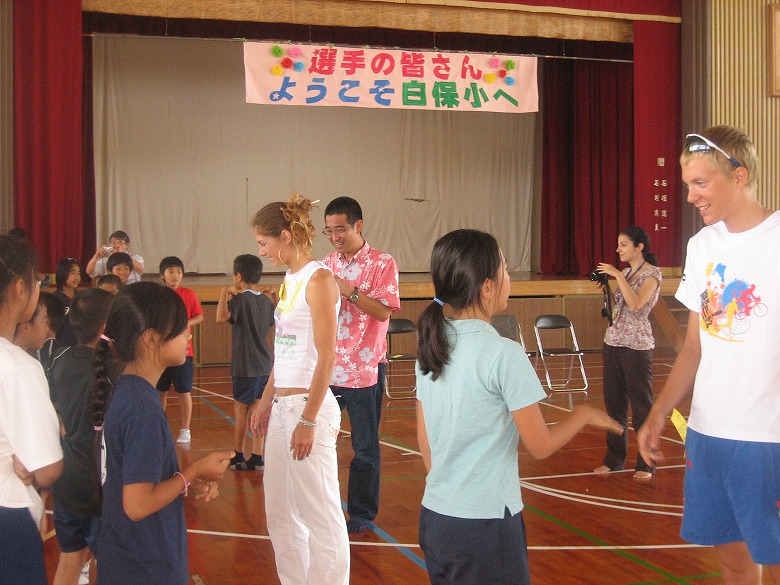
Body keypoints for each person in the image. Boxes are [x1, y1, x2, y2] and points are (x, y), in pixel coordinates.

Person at [416, 229, 622, 585]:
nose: (509, 278)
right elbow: (540, 445)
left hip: (436, 519)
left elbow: (427, 448)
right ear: (487, 287)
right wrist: (584, 414)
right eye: (506, 270)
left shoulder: (432, 346)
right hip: (486, 526)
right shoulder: (504, 354)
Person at [638, 126, 780, 584]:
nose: (691, 196)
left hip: (766, 437)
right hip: (708, 431)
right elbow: (695, 347)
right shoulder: (702, 248)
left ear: (739, 176)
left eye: (701, 183)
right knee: (732, 560)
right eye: (687, 186)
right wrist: (660, 412)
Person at [93, 282, 232, 585]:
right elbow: (138, 504)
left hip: (124, 556)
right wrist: (193, 472)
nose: (189, 335)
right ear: (151, 340)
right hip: (146, 566)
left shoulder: (128, 391)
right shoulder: (143, 408)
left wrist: (180, 481)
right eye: (181, 330)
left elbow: (134, 478)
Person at [249, 194, 350, 585]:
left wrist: (307, 418)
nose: (262, 252)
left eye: (264, 243)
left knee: (320, 515)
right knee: (281, 514)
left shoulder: (320, 279)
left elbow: (328, 357)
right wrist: (265, 399)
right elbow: (284, 350)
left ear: (285, 236)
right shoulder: (289, 280)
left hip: (310, 409)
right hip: (283, 407)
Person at [322, 196, 400, 533]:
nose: (335, 237)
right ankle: (322, 507)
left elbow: (384, 310)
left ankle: (362, 513)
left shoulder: (383, 263)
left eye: (341, 229)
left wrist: (349, 291)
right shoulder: (325, 264)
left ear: (358, 225)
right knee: (321, 441)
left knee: (364, 445)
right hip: (329, 366)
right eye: (329, 231)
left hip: (366, 369)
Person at [0, 234, 64, 584]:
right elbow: (49, 468)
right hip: (7, 513)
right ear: (20, 288)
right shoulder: (18, 366)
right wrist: (36, 470)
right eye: (38, 281)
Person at [48, 288, 114, 585]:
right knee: (104, 560)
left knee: (70, 559)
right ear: (105, 327)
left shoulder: (59, 360)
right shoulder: (113, 368)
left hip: (67, 480)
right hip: (99, 484)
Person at [592, 226, 662, 480]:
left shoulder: (652, 275)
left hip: (637, 345)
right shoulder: (625, 272)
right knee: (614, 405)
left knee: (641, 405)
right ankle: (614, 460)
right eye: (618, 244)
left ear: (639, 247)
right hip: (613, 341)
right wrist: (607, 289)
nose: (618, 249)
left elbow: (636, 304)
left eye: (623, 245)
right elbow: (619, 306)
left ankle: (646, 463)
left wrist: (615, 276)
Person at [216, 254, 275, 471]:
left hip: (245, 365)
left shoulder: (240, 300)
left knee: (241, 411)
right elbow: (274, 320)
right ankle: (258, 456)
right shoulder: (265, 301)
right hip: (265, 364)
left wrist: (224, 294)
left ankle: (238, 454)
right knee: (258, 410)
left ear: (238, 276)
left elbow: (220, 317)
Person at [156, 257, 203, 444]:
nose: (175, 275)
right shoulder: (158, 295)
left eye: (178, 272)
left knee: (184, 391)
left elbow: (199, 316)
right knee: (161, 391)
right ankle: (159, 425)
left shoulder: (189, 294)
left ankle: (185, 429)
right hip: (161, 351)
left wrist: (186, 323)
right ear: (162, 275)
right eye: (171, 272)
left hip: (184, 352)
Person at [54, 257, 82, 347]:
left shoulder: (82, 297)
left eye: (78, 273)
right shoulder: (55, 298)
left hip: (79, 345)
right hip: (61, 346)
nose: (76, 277)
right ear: (63, 273)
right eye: (73, 273)